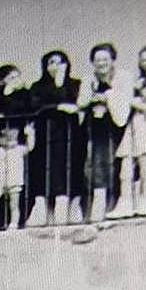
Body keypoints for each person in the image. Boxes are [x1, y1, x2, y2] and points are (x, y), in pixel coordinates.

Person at [26, 50, 84, 227]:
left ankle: (70, 206)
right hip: (46, 136)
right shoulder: (37, 86)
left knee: (69, 168)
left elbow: (76, 103)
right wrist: (59, 105)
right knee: (44, 169)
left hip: (70, 137)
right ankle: (42, 208)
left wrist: (60, 83)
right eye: (51, 62)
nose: (55, 66)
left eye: (60, 62)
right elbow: (36, 106)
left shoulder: (75, 84)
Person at [77, 43, 133, 223]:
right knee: (97, 164)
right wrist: (95, 97)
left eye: (105, 59)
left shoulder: (124, 76)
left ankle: (120, 204)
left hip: (121, 126)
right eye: (97, 60)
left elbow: (125, 101)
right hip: (99, 128)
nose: (101, 63)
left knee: (121, 166)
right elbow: (82, 101)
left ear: (112, 60)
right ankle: (99, 209)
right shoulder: (88, 79)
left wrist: (108, 95)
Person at [109, 44, 146, 219]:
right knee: (126, 163)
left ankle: (144, 202)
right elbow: (127, 98)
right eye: (143, 59)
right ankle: (125, 201)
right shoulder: (139, 82)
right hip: (135, 122)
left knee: (145, 166)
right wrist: (137, 103)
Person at [0, 123, 35, 231]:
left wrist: (30, 135)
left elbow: (30, 147)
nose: (9, 142)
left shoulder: (19, 149)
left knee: (14, 203)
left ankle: (14, 222)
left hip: (14, 179)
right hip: (0, 179)